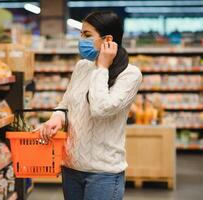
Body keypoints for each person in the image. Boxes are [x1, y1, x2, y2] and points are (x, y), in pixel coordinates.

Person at [37, 11, 142, 200]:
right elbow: (66, 103)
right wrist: (57, 118)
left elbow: (101, 109)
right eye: (81, 34)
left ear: (107, 40)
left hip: (103, 173)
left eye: (87, 35)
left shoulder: (130, 74)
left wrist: (102, 67)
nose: (81, 40)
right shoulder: (82, 66)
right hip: (71, 167)